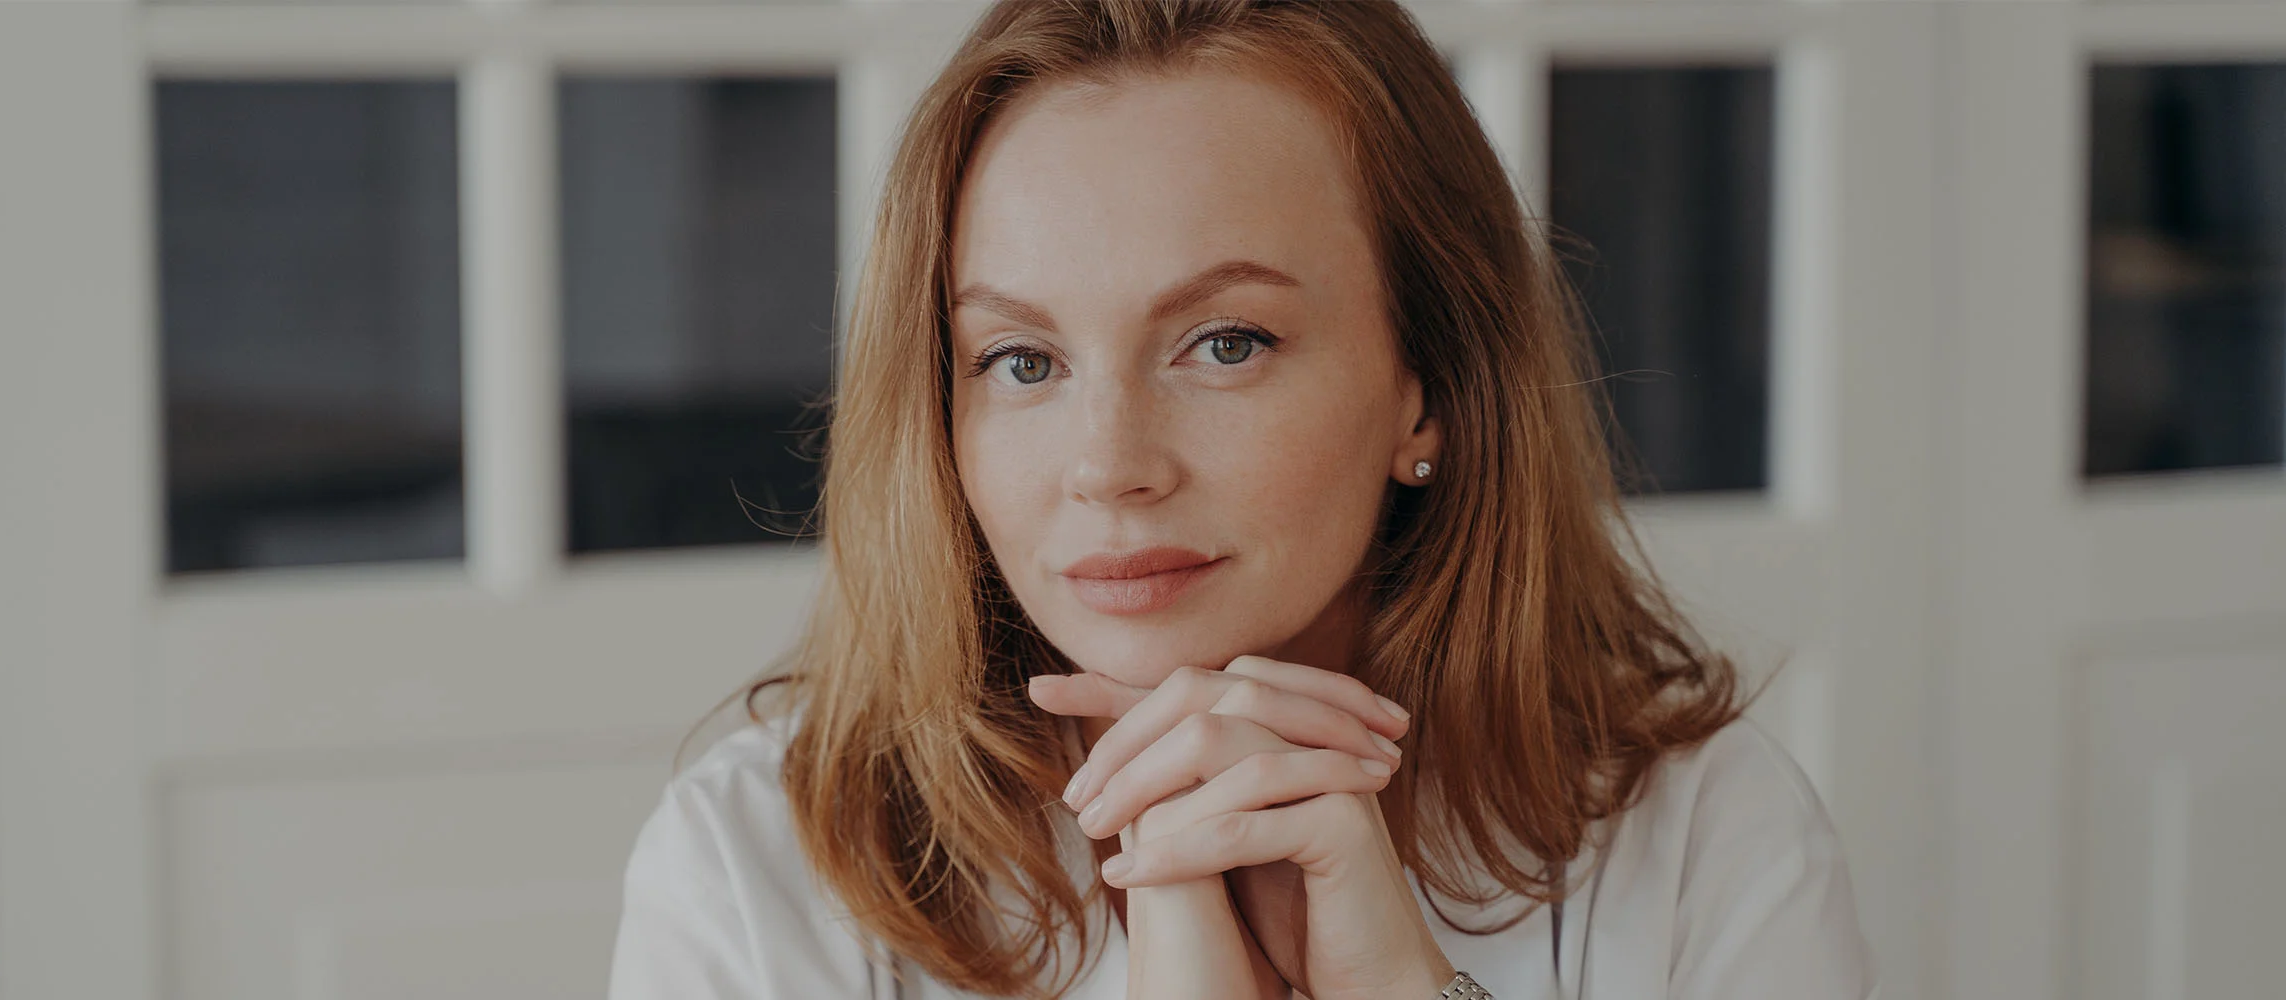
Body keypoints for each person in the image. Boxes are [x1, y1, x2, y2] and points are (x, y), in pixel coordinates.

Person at [608, 1, 1876, 997]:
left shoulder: (1704, 834)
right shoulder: (753, 867)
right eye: (1023, 361)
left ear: (1424, 389)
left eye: (1224, 343)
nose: (1110, 464)